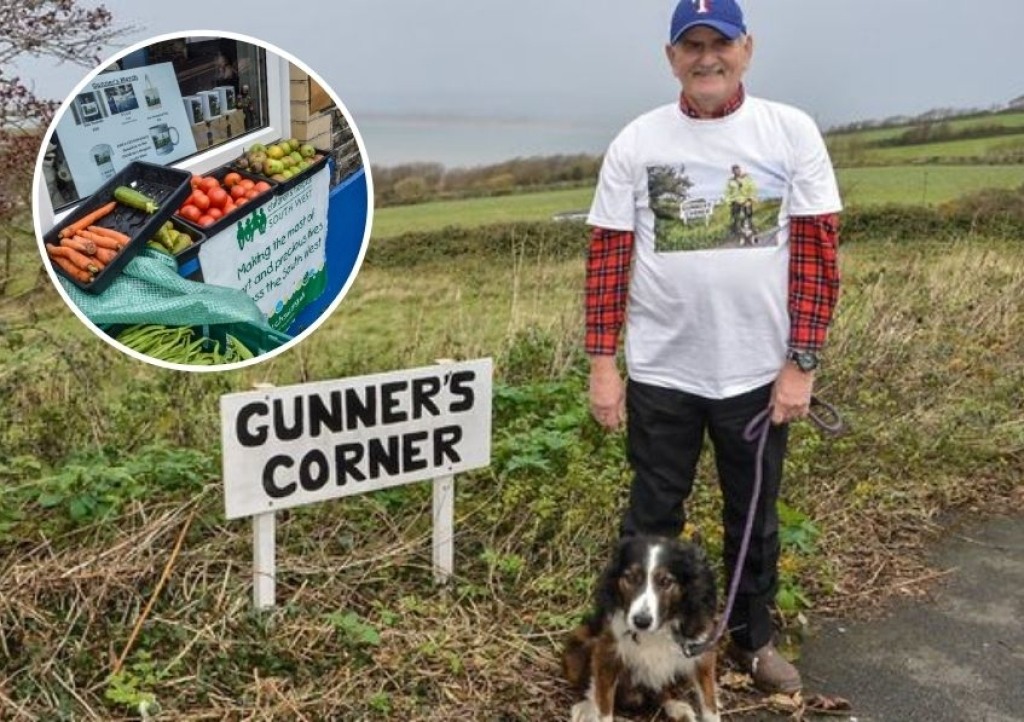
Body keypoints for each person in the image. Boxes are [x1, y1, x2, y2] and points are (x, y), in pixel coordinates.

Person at [585, 0, 841, 695]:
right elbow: (609, 258)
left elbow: (817, 255)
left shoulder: (789, 132)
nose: (706, 58)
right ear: (671, 57)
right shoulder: (638, 141)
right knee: (651, 517)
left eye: (719, 44)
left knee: (753, 516)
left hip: (758, 375)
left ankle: (752, 642)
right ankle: (641, 652)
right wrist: (604, 366)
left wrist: (802, 362)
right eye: (690, 45)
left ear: (746, 49)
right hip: (664, 373)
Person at [724, 163, 757, 241]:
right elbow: (727, 193)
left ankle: (752, 231)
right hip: (735, 201)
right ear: (733, 172)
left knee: (748, 216)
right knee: (735, 217)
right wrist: (729, 202)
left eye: (737, 169)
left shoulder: (747, 178)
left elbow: (753, 189)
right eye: (734, 170)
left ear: (740, 170)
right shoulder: (730, 181)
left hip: (746, 200)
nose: (736, 171)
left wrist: (750, 199)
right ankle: (736, 232)